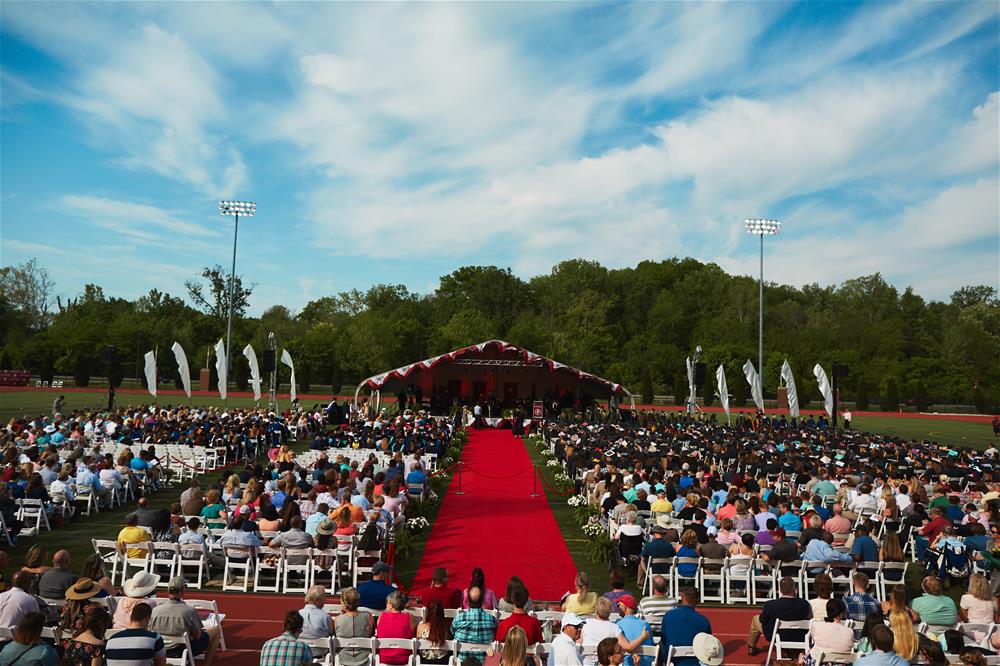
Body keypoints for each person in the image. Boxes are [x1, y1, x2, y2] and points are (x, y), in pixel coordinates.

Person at [149, 577, 220, 666]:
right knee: (217, 630)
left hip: (159, 649)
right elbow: (197, 636)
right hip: (182, 651)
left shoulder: (155, 611)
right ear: (183, 590)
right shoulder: (189, 611)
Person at [747, 577, 812, 656]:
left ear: (780, 590)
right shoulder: (804, 604)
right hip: (799, 636)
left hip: (777, 636)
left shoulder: (771, 605)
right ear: (794, 589)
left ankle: (751, 647)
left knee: (756, 618)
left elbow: (762, 620)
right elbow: (809, 619)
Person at [660, 588, 711, 666]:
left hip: (672, 661)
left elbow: (663, 640)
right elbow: (707, 646)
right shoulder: (703, 621)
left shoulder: (668, 616)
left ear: (682, 598)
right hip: (695, 662)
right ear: (697, 601)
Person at [453, 586, 498, 663]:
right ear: (482, 601)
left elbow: (453, 634)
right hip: (485, 662)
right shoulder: (492, 620)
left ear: (468, 601)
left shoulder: (458, 619)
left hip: (463, 662)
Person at [334, 587, 373, 666]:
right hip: (364, 656)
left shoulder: (337, 619)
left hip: (344, 657)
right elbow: (371, 634)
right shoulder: (368, 616)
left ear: (344, 603)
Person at [376, 590, 415, 666]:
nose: (386, 605)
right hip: (404, 660)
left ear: (391, 605)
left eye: (387, 603)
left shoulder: (381, 616)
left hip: (385, 660)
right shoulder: (410, 617)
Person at [615, 595, 653, 666]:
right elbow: (651, 647)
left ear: (624, 607)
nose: (618, 608)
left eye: (618, 605)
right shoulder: (645, 625)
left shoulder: (617, 625)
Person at [416, 600, 452, 665]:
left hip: (424, 661)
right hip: (443, 661)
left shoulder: (420, 626)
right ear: (442, 613)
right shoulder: (446, 628)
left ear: (428, 612)